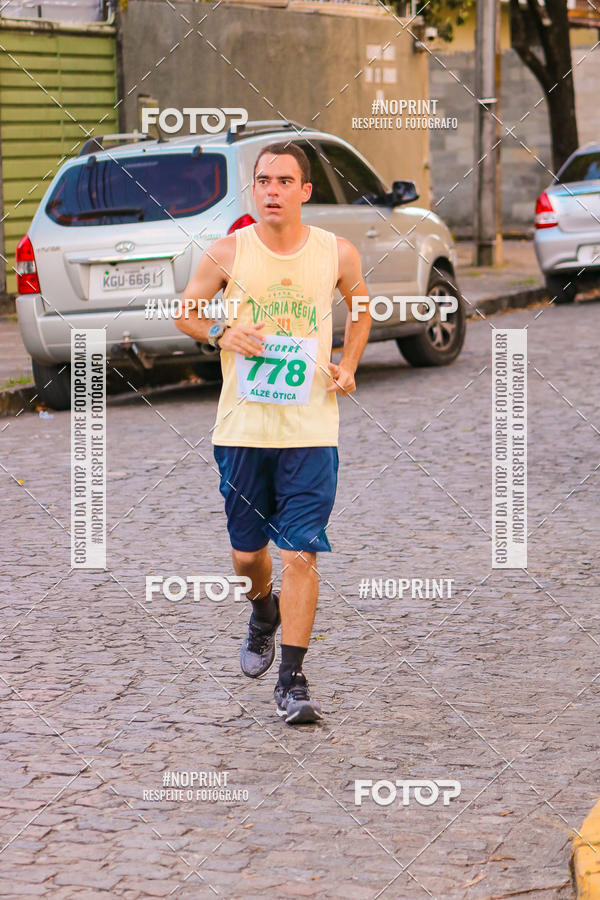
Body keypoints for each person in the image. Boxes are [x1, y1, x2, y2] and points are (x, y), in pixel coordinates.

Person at [176, 141, 371, 724]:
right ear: (254, 189)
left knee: (301, 551)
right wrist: (220, 333)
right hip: (243, 429)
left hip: (311, 427)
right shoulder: (228, 252)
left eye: (285, 181)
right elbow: (185, 311)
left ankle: (292, 680)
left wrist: (349, 364)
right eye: (263, 181)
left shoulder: (336, 252)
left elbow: (362, 306)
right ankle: (263, 610)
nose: (272, 191)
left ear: (305, 191)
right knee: (246, 557)